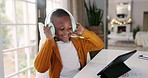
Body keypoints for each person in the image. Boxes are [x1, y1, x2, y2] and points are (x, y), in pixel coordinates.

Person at [34, 9, 104, 78]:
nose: (66, 32)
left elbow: (99, 45)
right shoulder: (50, 46)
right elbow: (41, 68)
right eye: (62, 29)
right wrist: (49, 39)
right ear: (52, 29)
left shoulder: (79, 42)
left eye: (70, 28)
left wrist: (84, 32)